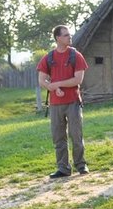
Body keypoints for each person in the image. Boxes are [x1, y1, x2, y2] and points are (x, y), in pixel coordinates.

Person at [37, 24, 89, 178]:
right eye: (66, 35)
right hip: (55, 104)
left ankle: (81, 165)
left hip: (73, 101)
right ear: (58, 38)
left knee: (76, 135)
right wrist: (52, 88)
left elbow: (78, 79)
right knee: (58, 137)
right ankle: (63, 168)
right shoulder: (48, 57)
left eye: (69, 34)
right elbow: (41, 80)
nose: (69, 37)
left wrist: (57, 84)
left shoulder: (76, 56)